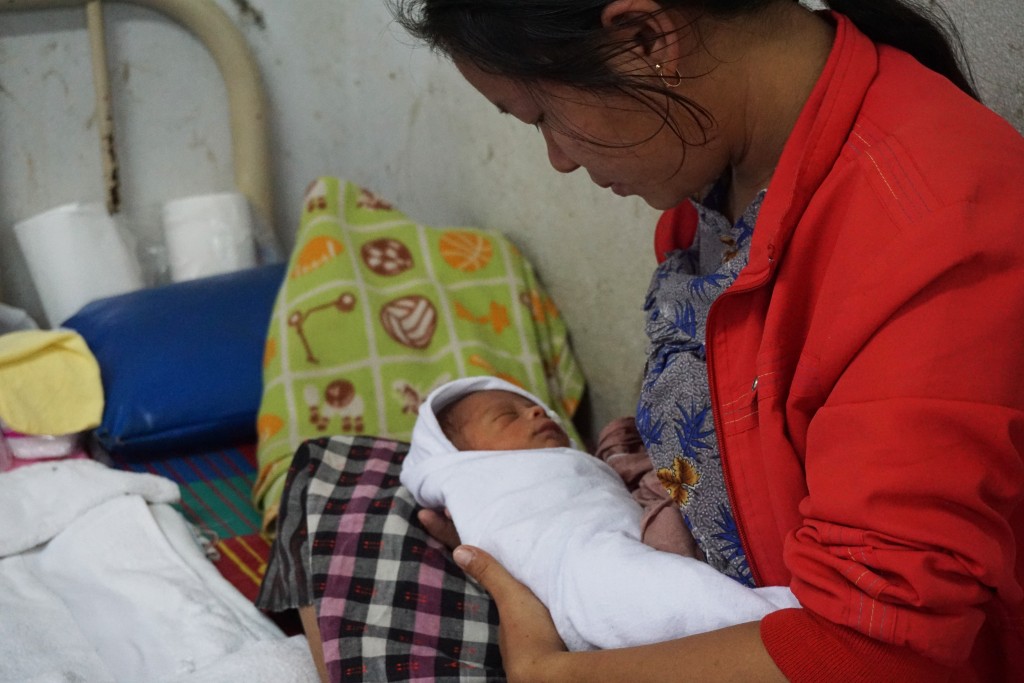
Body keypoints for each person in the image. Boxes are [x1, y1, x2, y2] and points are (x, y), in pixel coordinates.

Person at [387, 0, 1024, 680]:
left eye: (542, 116)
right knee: (341, 490)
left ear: (644, 38)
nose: (558, 160)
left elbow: (875, 649)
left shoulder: (934, 234)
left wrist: (552, 670)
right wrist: (526, 526)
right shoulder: (712, 184)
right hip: (664, 590)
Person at [401, 375, 799, 651]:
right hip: (576, 567)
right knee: (668, 595)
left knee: (668, 591)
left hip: (612, 547)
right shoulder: (474, 483)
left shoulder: (566, 461)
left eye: (533, 408)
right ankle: (787, 620)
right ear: (457, 460)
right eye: (508, 416)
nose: (537, 414)